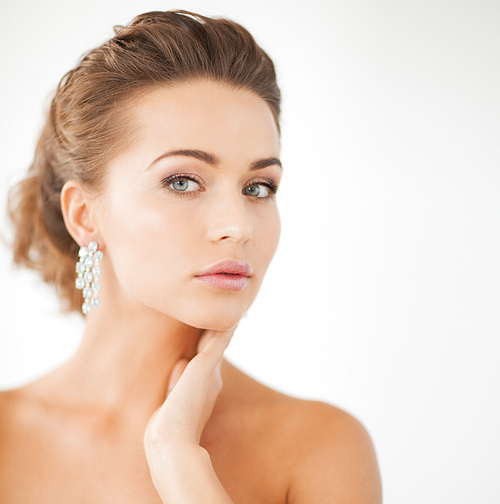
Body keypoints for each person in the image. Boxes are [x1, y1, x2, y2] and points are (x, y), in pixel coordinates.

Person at [0, 10, 381, 503]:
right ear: (84, 214)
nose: (238, 226)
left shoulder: (319, 447)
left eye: (258, 187)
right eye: (182, 181)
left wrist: (179, 460)